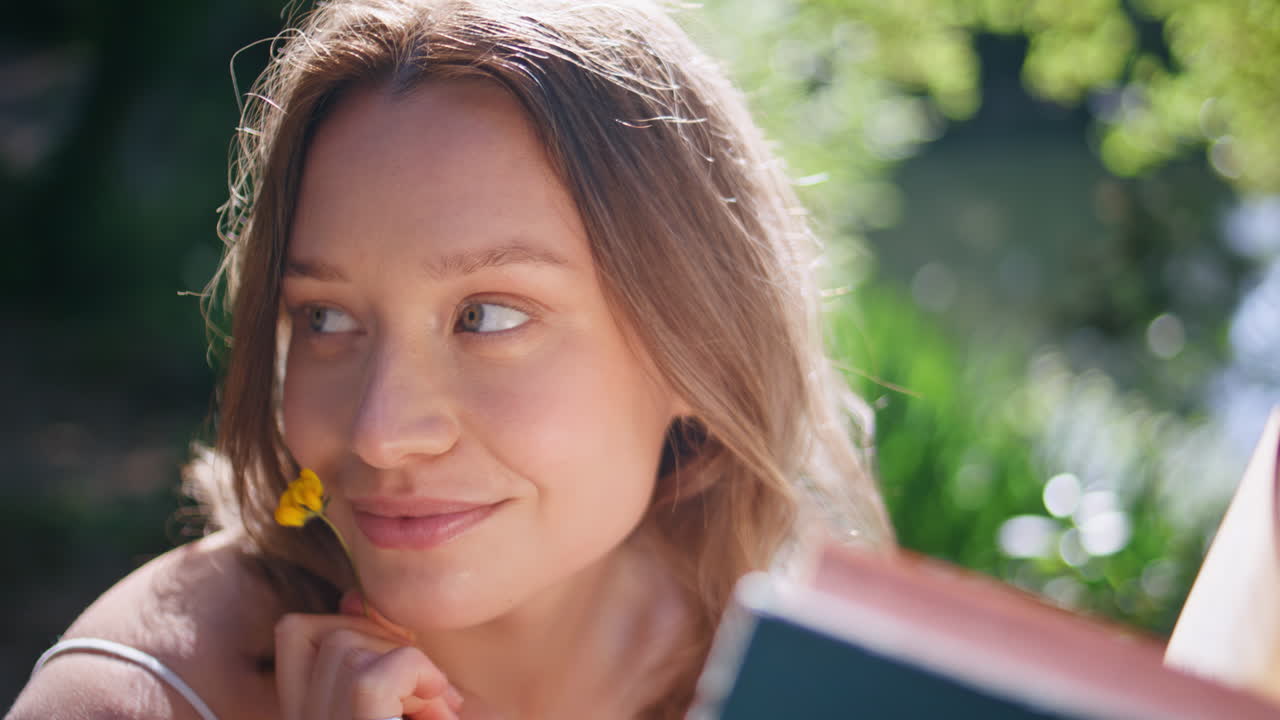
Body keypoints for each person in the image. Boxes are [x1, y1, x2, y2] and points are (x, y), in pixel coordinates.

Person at [9, 0, 892, 717]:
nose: (382, 432)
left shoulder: (830, 684)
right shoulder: (135, 697)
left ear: (697, 345)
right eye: (324, 317)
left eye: (490, 315)